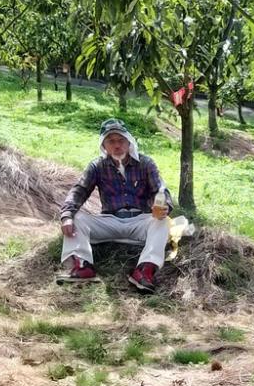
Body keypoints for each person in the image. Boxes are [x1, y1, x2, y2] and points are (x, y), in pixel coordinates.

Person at [59, 119, 171, 293]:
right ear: (104, 145)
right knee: (77, 218)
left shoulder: (146, 163)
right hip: (109, 220)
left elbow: (160, 189)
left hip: (140, 221)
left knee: (163, 222)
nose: (117, 145)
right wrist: (66, 215)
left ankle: (144, 271)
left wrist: (163, 207)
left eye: (121, 140)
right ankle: (82, 266)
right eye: (111, 141)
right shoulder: (97, 166)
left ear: (129, 142)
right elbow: (79, 190)